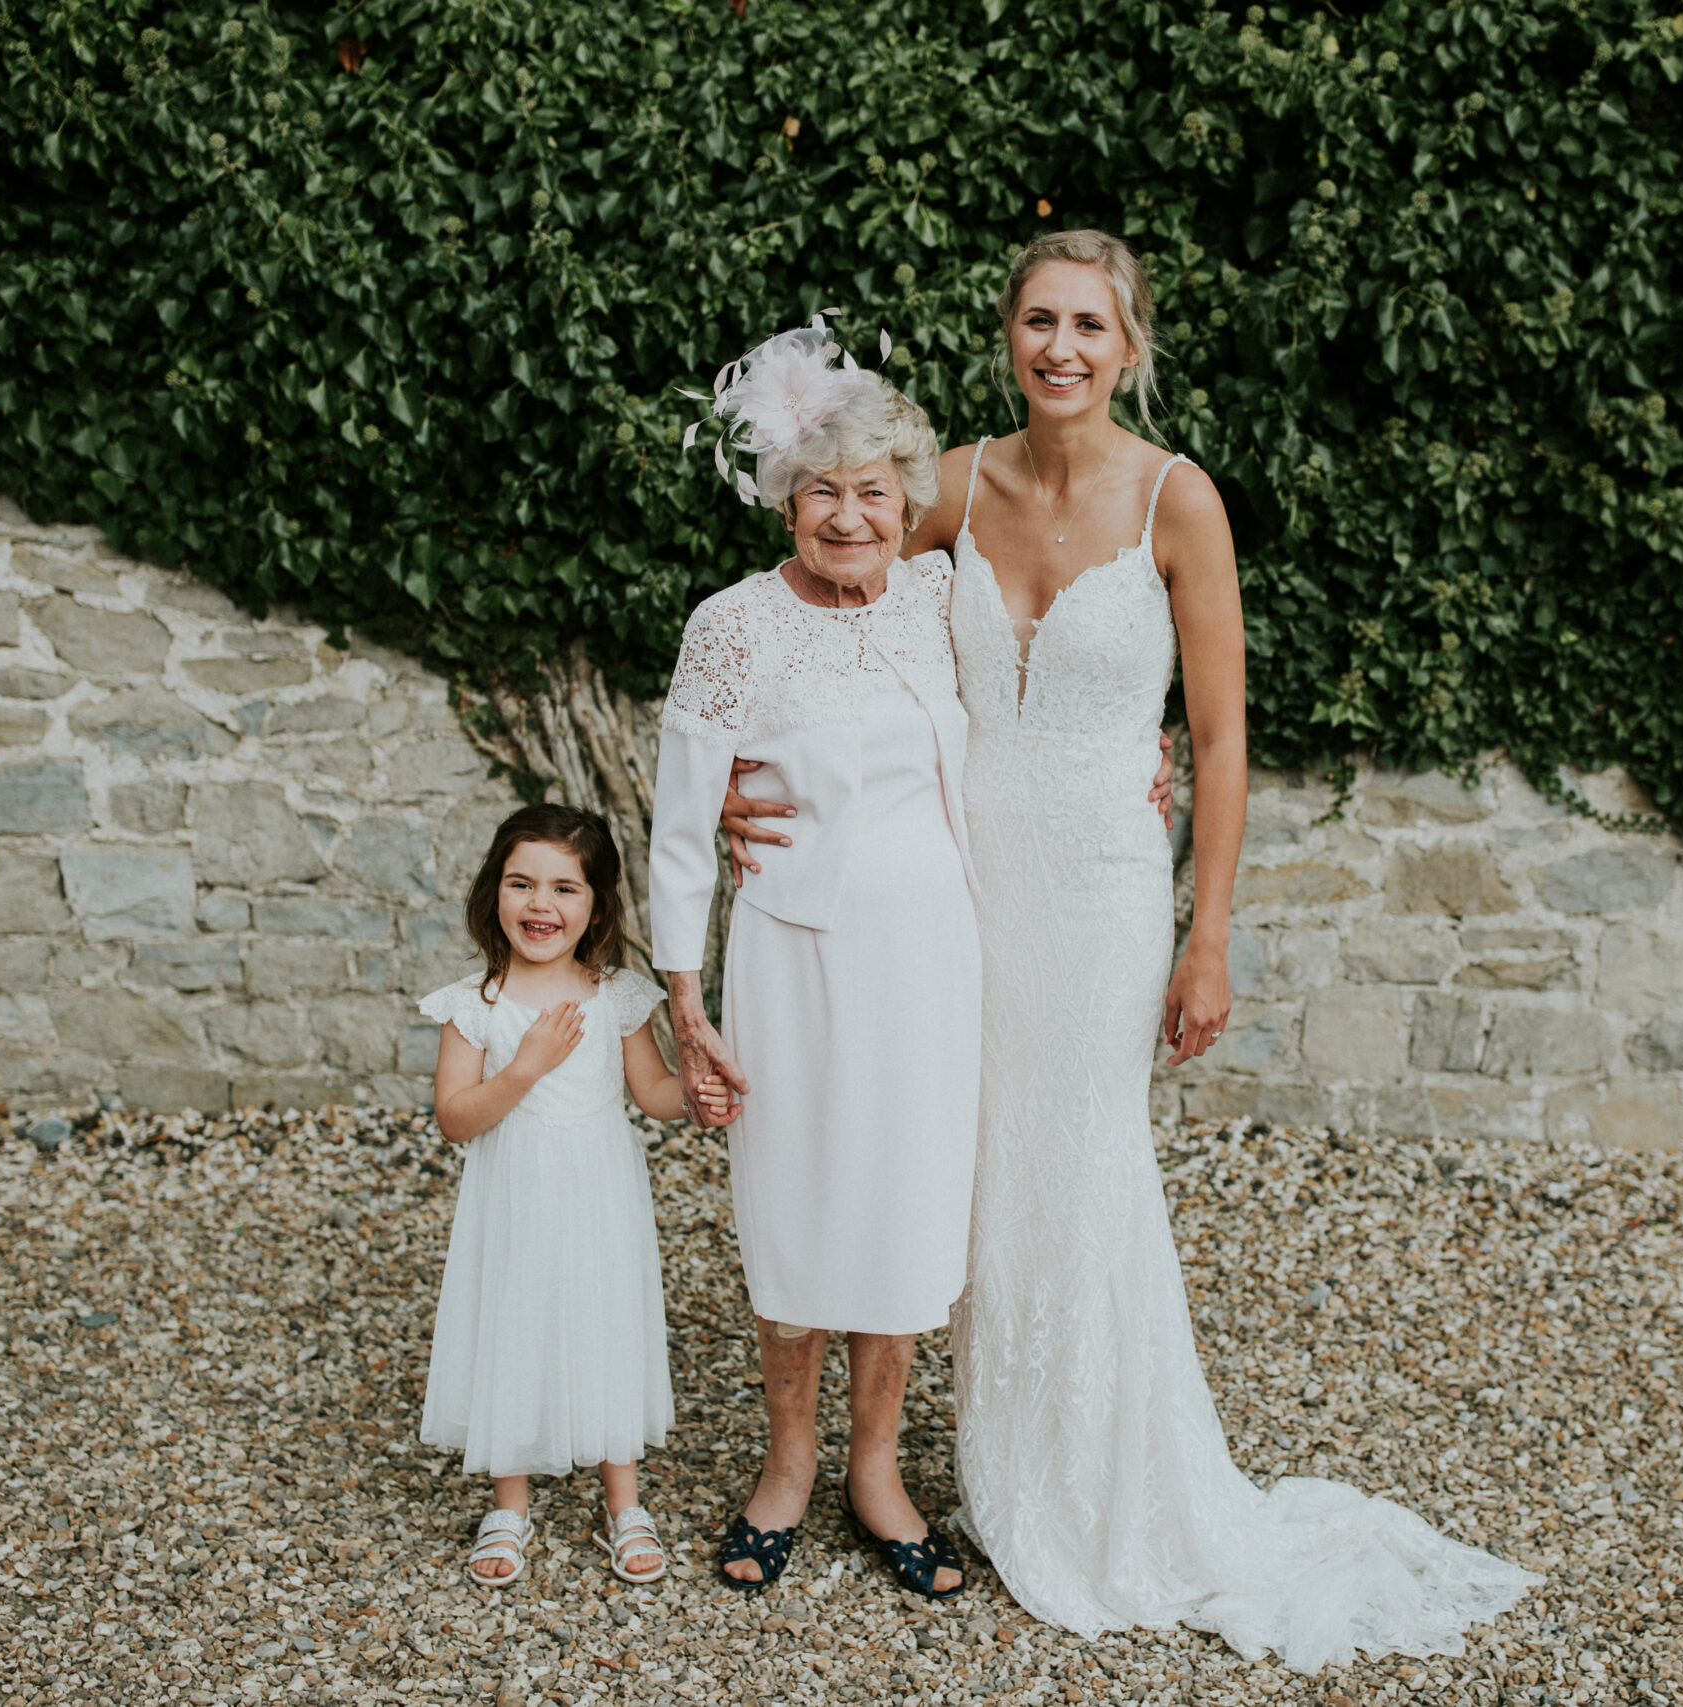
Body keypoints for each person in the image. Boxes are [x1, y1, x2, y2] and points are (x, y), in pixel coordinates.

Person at [726, 231, 1538, 1671]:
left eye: (1089, 325)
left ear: (1129, 344)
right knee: (948, 1156)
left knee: (1076, 1151)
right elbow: (827, 613)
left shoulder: (1180, 501)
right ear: (1008, 335)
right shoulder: (953, 483)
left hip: (1102, 883)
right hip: (951, 877)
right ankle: (901, 1460)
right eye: (1039, 320)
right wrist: (740, 775)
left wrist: (1208, 932)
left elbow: (1220, 739)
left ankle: (1088, 1479)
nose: (1061, 347)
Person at [648, 325, 981, 1599]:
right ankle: (786, 1462)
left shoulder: (945, 601)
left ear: (910, 504)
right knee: (794, 1210)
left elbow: (1047, 709)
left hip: (934, 964)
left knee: (903, 1212)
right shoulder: (730, 628)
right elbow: (684, 824)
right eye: (823, 491)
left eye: (875, 492)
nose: (850, 515)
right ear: (787, 500)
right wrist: (688, 1001)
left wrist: (1148, 759)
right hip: (792, 963)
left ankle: (876, 1469)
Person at [416, 803, 695, 1588]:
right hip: (513, 1200)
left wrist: (700, 1090)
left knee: (601, 1317)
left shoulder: (617, 996)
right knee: (516, 1319)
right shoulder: (477, 1006)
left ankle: (624, 1500)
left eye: (565, 888)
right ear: (492, 893)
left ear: (596, 906)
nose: (541, 904)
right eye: (521, 883)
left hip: (600, 1195)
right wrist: (525, 1066)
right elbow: (454, 1117)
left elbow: (654, 1093)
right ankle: (509, 1503)